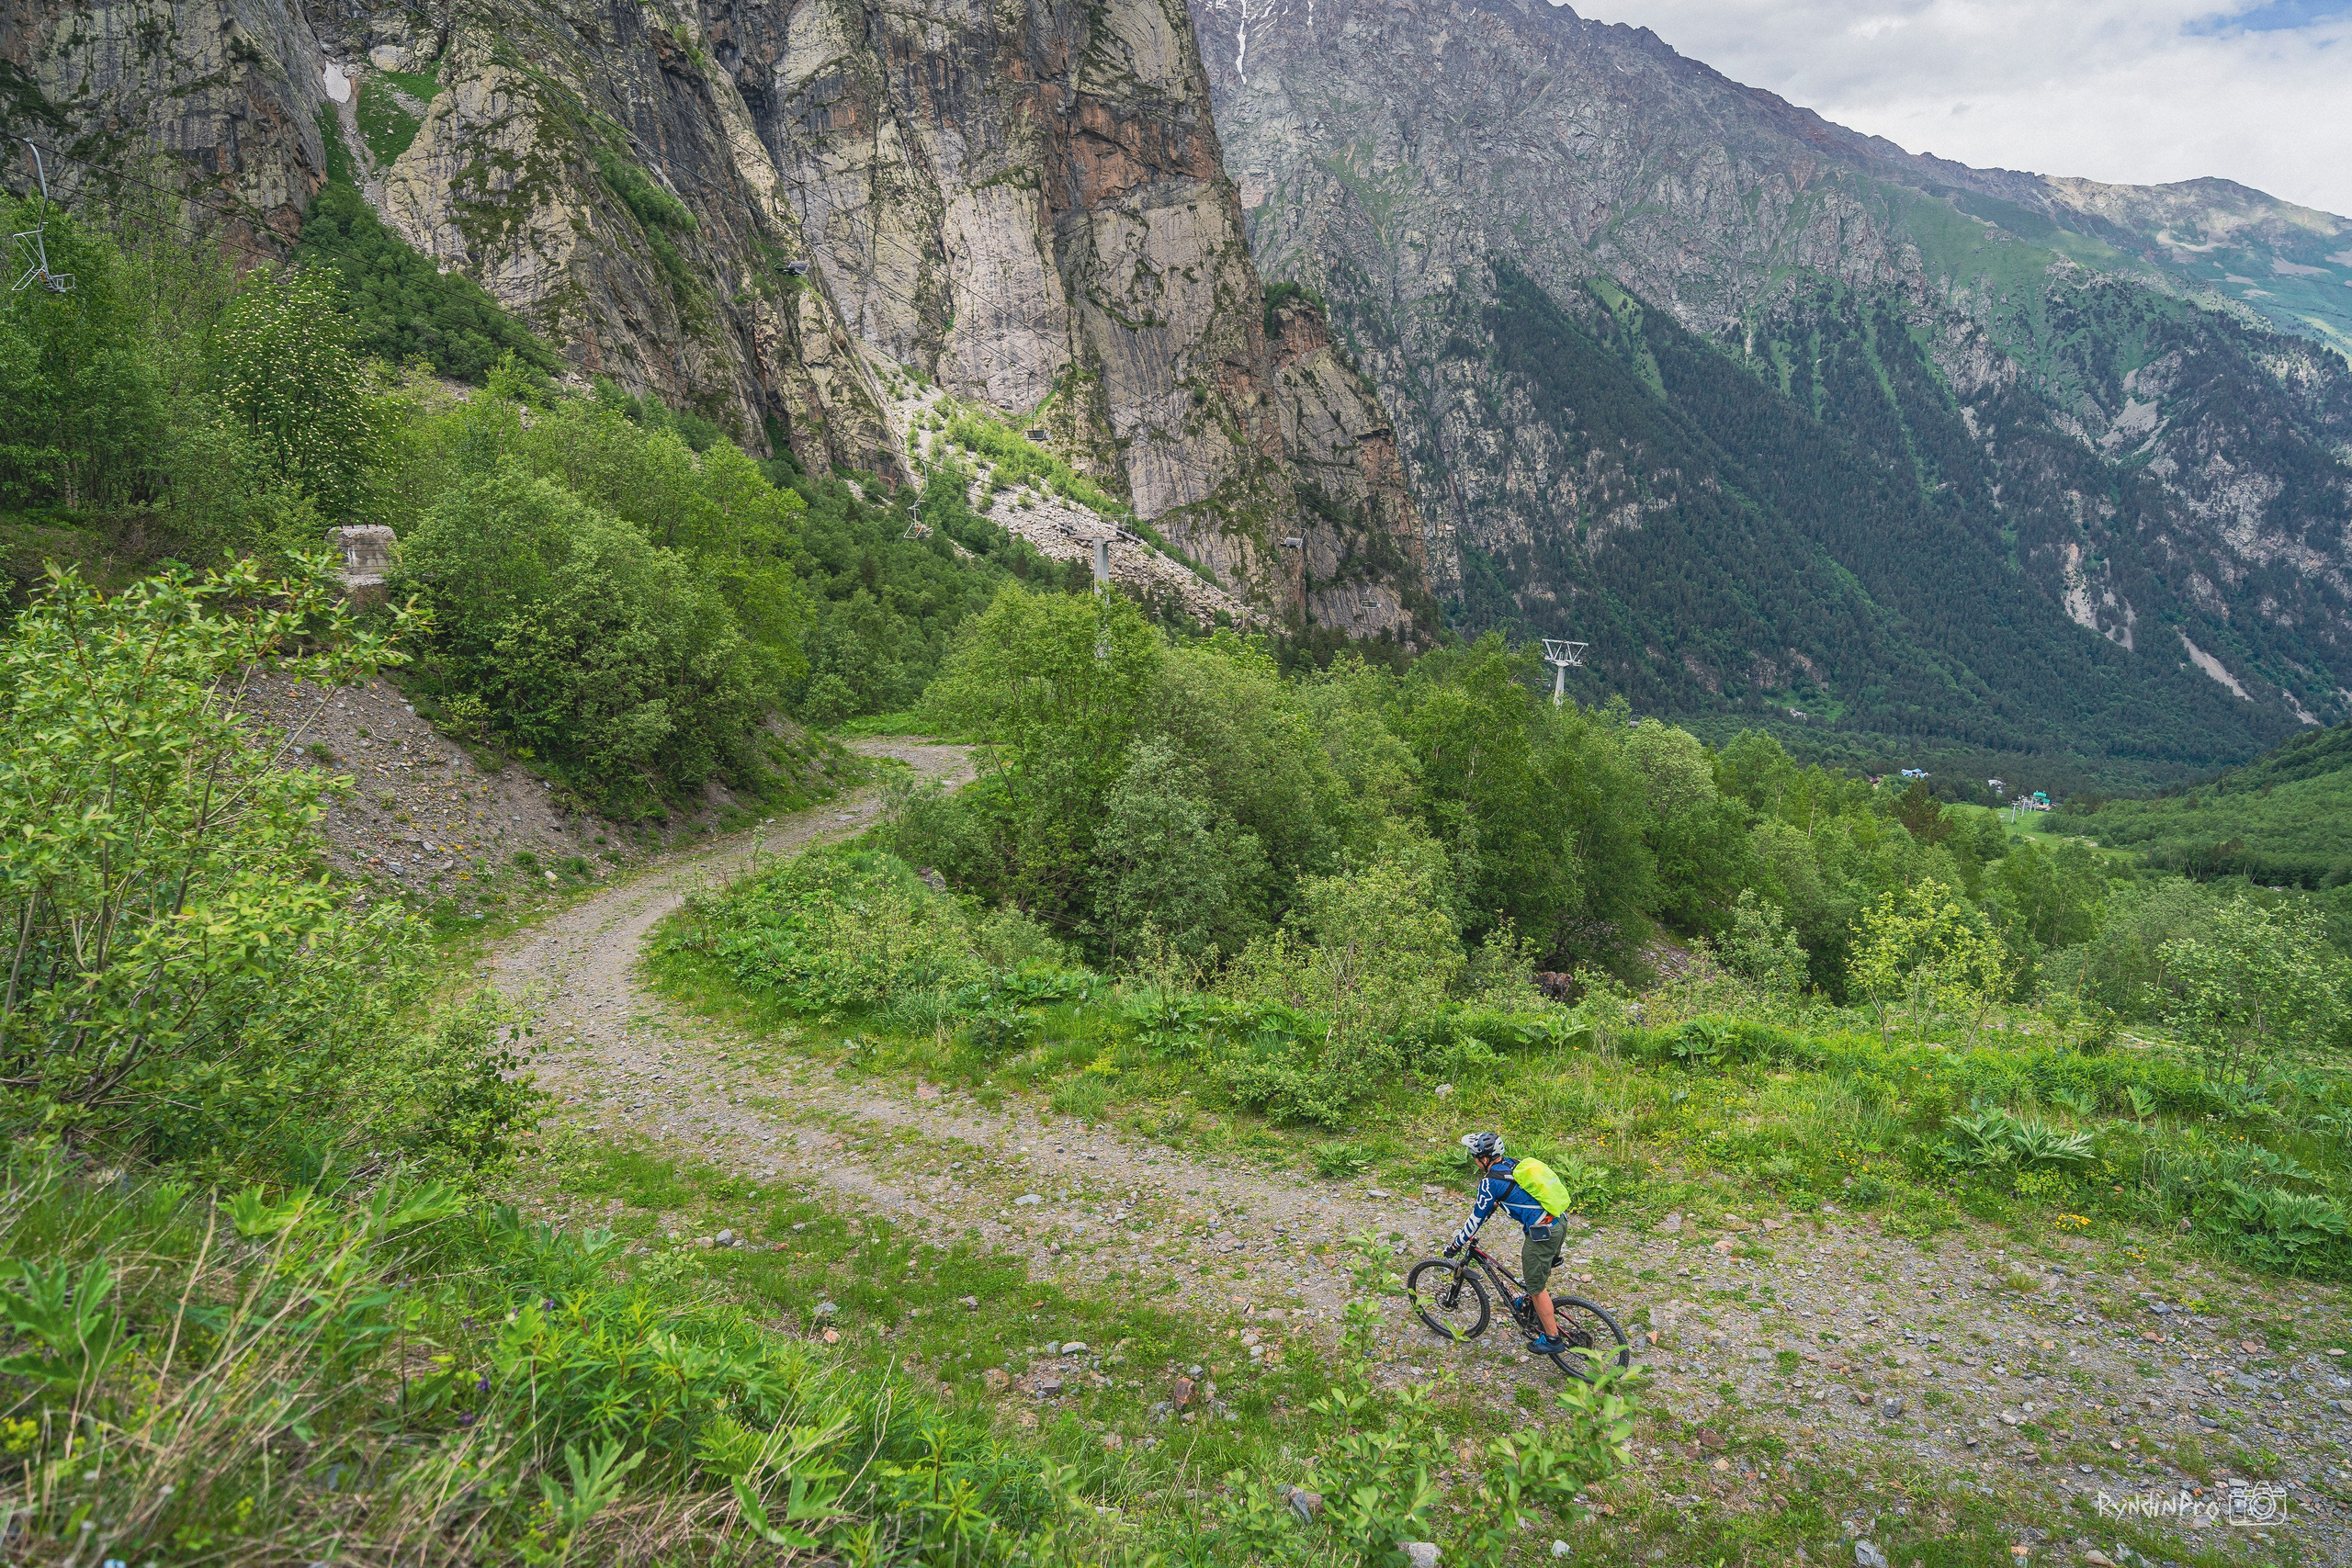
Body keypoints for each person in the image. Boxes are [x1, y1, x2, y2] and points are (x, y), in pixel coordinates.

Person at [1444, 1131, 1575, 1355]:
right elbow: (1515, 1193)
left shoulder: (1489, 1182)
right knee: (1537, 1273)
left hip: (1543, 1234)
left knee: (1536, 1287)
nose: (1474, 1160)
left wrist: (1456, 1244)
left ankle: (1553, 1339)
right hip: (1559, 1222)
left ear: (1484, 1158)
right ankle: (1533, 1307)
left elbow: (1475, 1218)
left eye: (1475, 1156)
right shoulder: (1513, 1165)